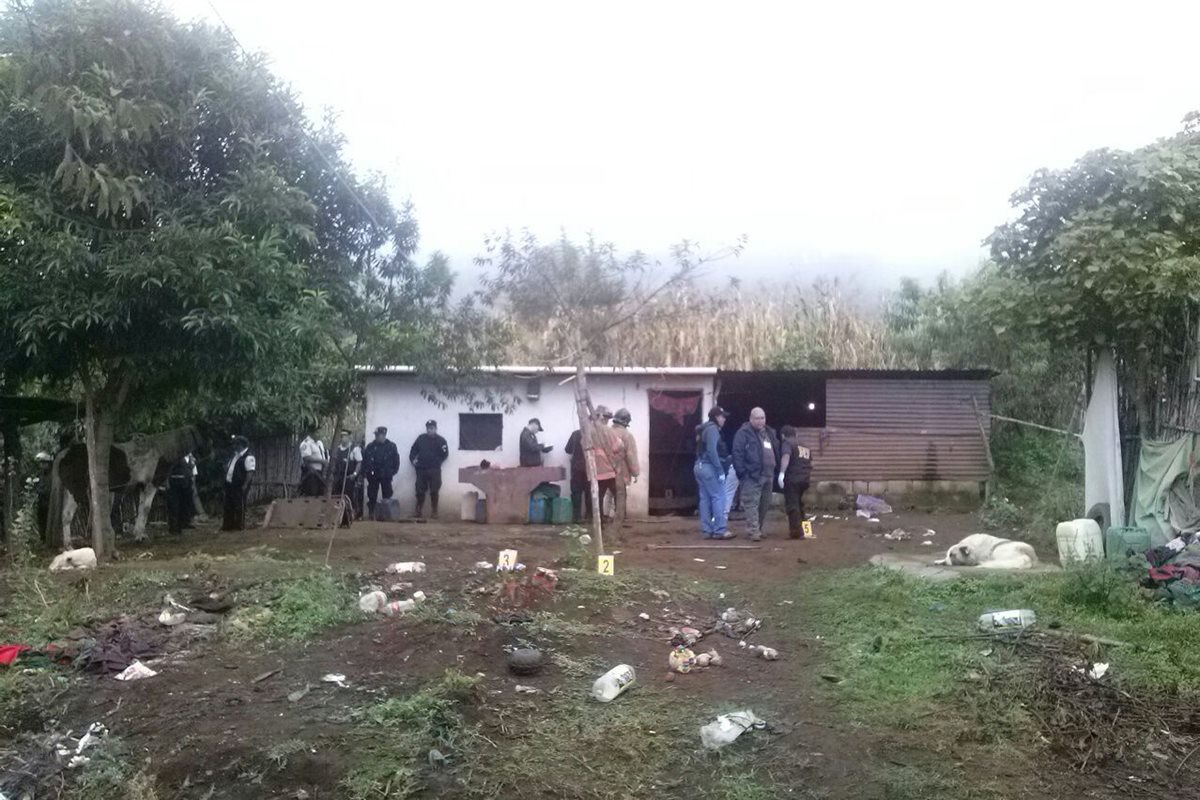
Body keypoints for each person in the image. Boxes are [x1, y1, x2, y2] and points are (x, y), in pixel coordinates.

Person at [732, 407, 779, 541]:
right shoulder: (743, 433)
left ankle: (758, 528)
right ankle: (753, 531)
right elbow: (737, 453)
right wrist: (742, 473)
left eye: (762, 418)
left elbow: (776, 450)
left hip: (768, 475)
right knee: (751, 504)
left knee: (764, 504)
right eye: (757, 418)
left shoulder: (769, 432)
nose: (760, 421)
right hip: (752, 476)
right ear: (751, 419)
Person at [694, 406, 732, 539]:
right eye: (722, 416)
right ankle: (720, 530)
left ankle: (706, 530)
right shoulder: (713, 430)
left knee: (704, 499)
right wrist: (720, 470)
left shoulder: (703, 428)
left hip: (699, 466)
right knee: (719, 497)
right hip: (709, 467)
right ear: (716, 417)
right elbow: (712, 451)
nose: (724, 419)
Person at [778, 425, 814, 539]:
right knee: (801, 506)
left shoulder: (787, 443)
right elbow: (810, 462)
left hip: (793, 479)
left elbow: (786, 456)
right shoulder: (805, 445)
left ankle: (796, 532)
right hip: (805, 479)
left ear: (783, 435)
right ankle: (807, 531)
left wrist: (782, 473)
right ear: (795, 434)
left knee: (793, 506)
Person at [409, 420, 449, 519]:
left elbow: (445, 454)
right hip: (421, 469)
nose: (430, 430)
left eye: (432, 428)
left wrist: (437, 461)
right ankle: (418, 511)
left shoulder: (441, 440)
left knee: (434, 490)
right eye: (428, 428)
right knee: (419, 491)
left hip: (434, 470)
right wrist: (413, 460)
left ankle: (434, 512)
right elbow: (413, 450)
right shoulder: (421, 439)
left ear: (435, 429)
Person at [610, 408, 640, 529]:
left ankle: (604, 521)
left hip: (603, 470)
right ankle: (617, 525)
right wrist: (635, 472)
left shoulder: (606, 432)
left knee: (605, 495)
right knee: (620, 496)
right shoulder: (627, 435)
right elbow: (631, 455)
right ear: (626, 421)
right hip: (619, 471)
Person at [363, 426, 400, 517]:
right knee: (372, 495)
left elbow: (396, 460)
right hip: (373, 474)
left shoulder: (391, 446)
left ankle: (386, 514)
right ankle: (371, 513)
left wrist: (392, 471)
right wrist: (366, 471)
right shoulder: (370, 446)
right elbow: (365, 460)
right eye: (376, 435)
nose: (376, 437)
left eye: (378, 435)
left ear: (384, 435)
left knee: (387, 495)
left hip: (386, 474)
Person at [222, 436, 255, 531]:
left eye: (236, 444)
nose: (234, 446)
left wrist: (245, 485)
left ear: (241, 445)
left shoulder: (249, 457)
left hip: (239, 485)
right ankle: (228, 525)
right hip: (230, 484)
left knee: (239, 505)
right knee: (228, 505)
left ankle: (239, 526)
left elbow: (250, 473)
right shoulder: (235, 455)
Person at [330, 429, 364, 518]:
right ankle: (336, 515)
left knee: (349, 496)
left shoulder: (354, 449)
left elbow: (359, 462)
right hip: (338, 477)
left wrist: (355, 474)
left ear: (349, 437)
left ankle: (350, 514)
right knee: (336, 495)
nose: (342, 438)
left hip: (349, 477)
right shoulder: (336, 449)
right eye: (341, 436)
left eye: (344, 436)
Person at [165, 451, 197, 535]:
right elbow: (168, 471)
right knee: (174, 506)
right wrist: (167, 483)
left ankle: (184, 523)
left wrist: (192, 482)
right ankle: (174, 527)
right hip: (175, 484)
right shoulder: (175, 457)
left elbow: (193, 471)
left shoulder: (190, 458)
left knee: (185, 505)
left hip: (186, 484)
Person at [564, 427, 588, 522]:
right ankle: (589, 516)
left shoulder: (575, 434)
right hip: (589, 468)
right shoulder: (593, 434)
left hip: (576, 467)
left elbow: (567, 449)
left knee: (576, 492)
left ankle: (576, 517)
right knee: (589, 493)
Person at [298, 426, 328, 497]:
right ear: (311, 433)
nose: (319, 434)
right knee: (312, 493)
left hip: (320, 472)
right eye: (317, 432)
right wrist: (321, 461)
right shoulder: (306, 443)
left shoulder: (319, 443)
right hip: (311, 473)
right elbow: (306, 458)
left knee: (320, 494)